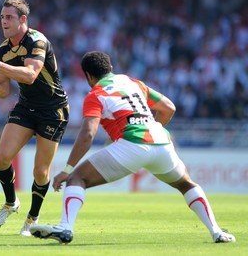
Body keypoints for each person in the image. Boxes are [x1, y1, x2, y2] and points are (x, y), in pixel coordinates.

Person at [30, 51, 236, 244]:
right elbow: (169, 108)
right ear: (110, 67)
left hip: (132, 145)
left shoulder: (96, 93)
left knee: (77, 178)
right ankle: (216, 231)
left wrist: (66, 170)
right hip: (162, 144)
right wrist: (149, 129)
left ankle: (66, 227)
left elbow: (88, 134)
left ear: (88, 76)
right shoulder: (133, 82)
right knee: (187, 184)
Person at [0, 0, 69, 236]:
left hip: (53, 110)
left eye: (9, 17)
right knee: (2, 157)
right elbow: (3, 91)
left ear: (23, 19)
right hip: (26, 107)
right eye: (1, 18)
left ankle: (32, 218)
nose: (4, 22)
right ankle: (11, 203)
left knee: (40, 172)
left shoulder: (37, 41)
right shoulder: (2, 50)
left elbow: (29, 75)